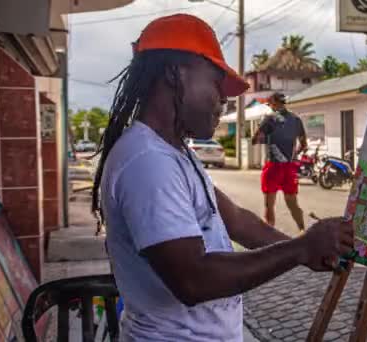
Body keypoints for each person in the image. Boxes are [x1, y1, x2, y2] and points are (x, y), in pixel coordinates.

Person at [91, 14, 353, 341]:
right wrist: (300, 249)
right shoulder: (147, 162)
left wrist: (308, 250)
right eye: (217, 83)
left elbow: (238, 220)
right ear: (174, 73)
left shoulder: (175, 153)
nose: (224, 100)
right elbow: (193, 280)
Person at [252, 92, 308, 231]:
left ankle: (269, 236)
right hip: (289, 167)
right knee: (292, 203)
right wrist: (293, 155)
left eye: (270, 104)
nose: (270, 107)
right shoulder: (296, 119)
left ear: (275, 103)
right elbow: (303, 144)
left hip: (273, 166)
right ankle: (302, 231)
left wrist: (264, 137)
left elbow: (255, 139)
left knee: (269, 204)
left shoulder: (269, 119)